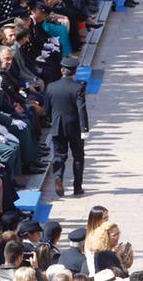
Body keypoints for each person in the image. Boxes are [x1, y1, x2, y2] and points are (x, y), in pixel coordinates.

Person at [46, 55, 89, 197]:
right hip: (74, 128)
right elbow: (81, 109)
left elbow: (47, 108)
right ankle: (77, 187)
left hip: (57, 126)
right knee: (78, 157)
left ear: (61, 70)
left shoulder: (51, 87)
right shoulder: (78, 88)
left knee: (59, 155)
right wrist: (85, 129)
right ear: (74, 72)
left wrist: (51, 120)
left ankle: (58, 177)